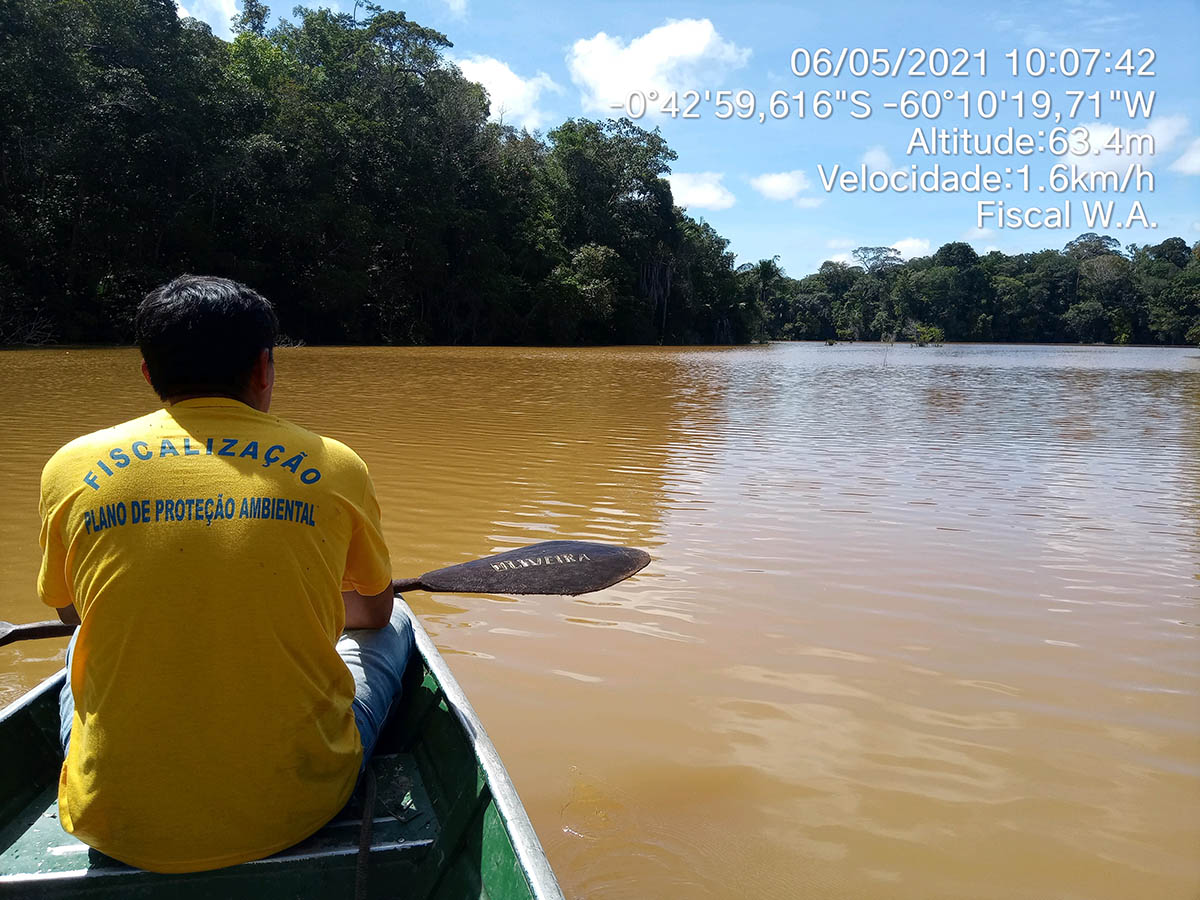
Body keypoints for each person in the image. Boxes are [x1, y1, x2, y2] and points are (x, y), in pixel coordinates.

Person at [37, 274, 413, 873]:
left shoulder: (69, 466)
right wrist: (304, 603)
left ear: (148, 373)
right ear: (263, 368)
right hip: (298, 808)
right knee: (399, 624)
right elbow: (373, 612)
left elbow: (71, 609)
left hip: (112, 821)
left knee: (81, 639)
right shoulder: (335, 464)